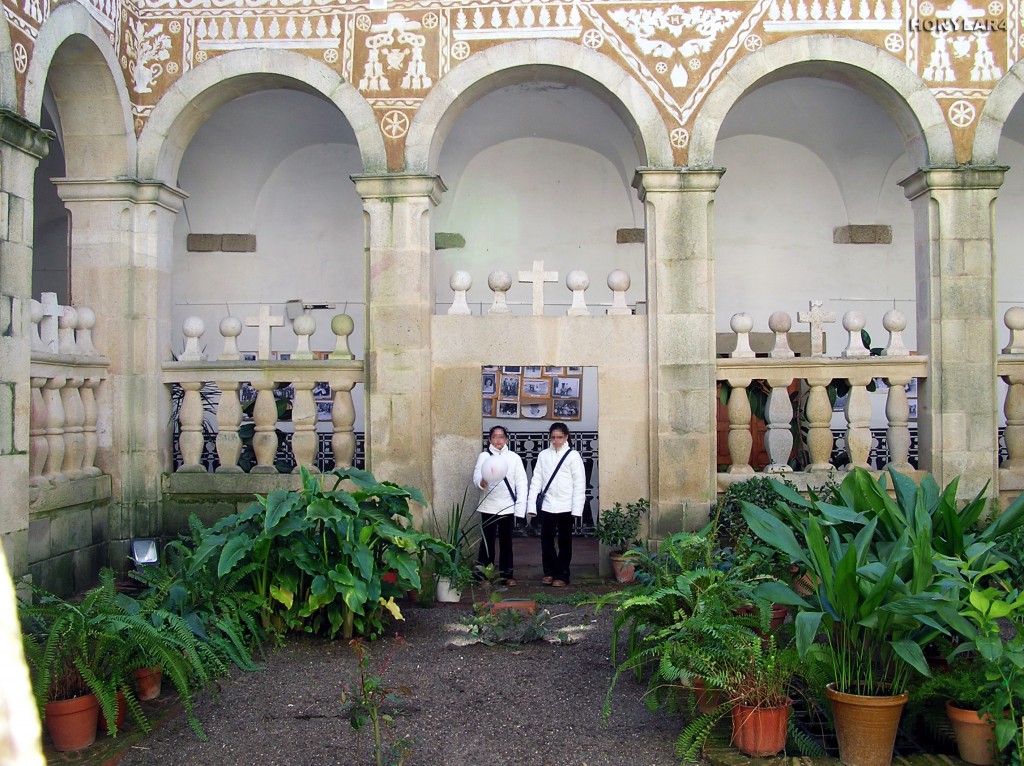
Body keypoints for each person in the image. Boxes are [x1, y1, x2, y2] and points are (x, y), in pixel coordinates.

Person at [527, 422, 585, 587]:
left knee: (565, 541)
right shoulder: (544, 455)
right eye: (553, 437)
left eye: (559, 437)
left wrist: (577, 508)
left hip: (566, 505)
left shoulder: (573, 456)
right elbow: (536, 480)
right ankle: (549, 572)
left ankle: (563, 574)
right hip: (548, 505)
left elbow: (579, 483)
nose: (556, 440)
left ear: (566, 437)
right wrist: (532, 506)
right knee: (546, 540)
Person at [473, 425, 528, 586]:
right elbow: (476, 477)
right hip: (488, 506)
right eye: (495, 436)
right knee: (487, 542)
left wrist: (520, 508)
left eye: (501, 436)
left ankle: (507, 574)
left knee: (506, 541)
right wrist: (482, 482)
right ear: (489, 439)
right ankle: (484, 575)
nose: (498, 440)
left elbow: (521, 482)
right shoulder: (484, 456)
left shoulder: (514, 458)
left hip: (507, 506)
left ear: (506, 439)